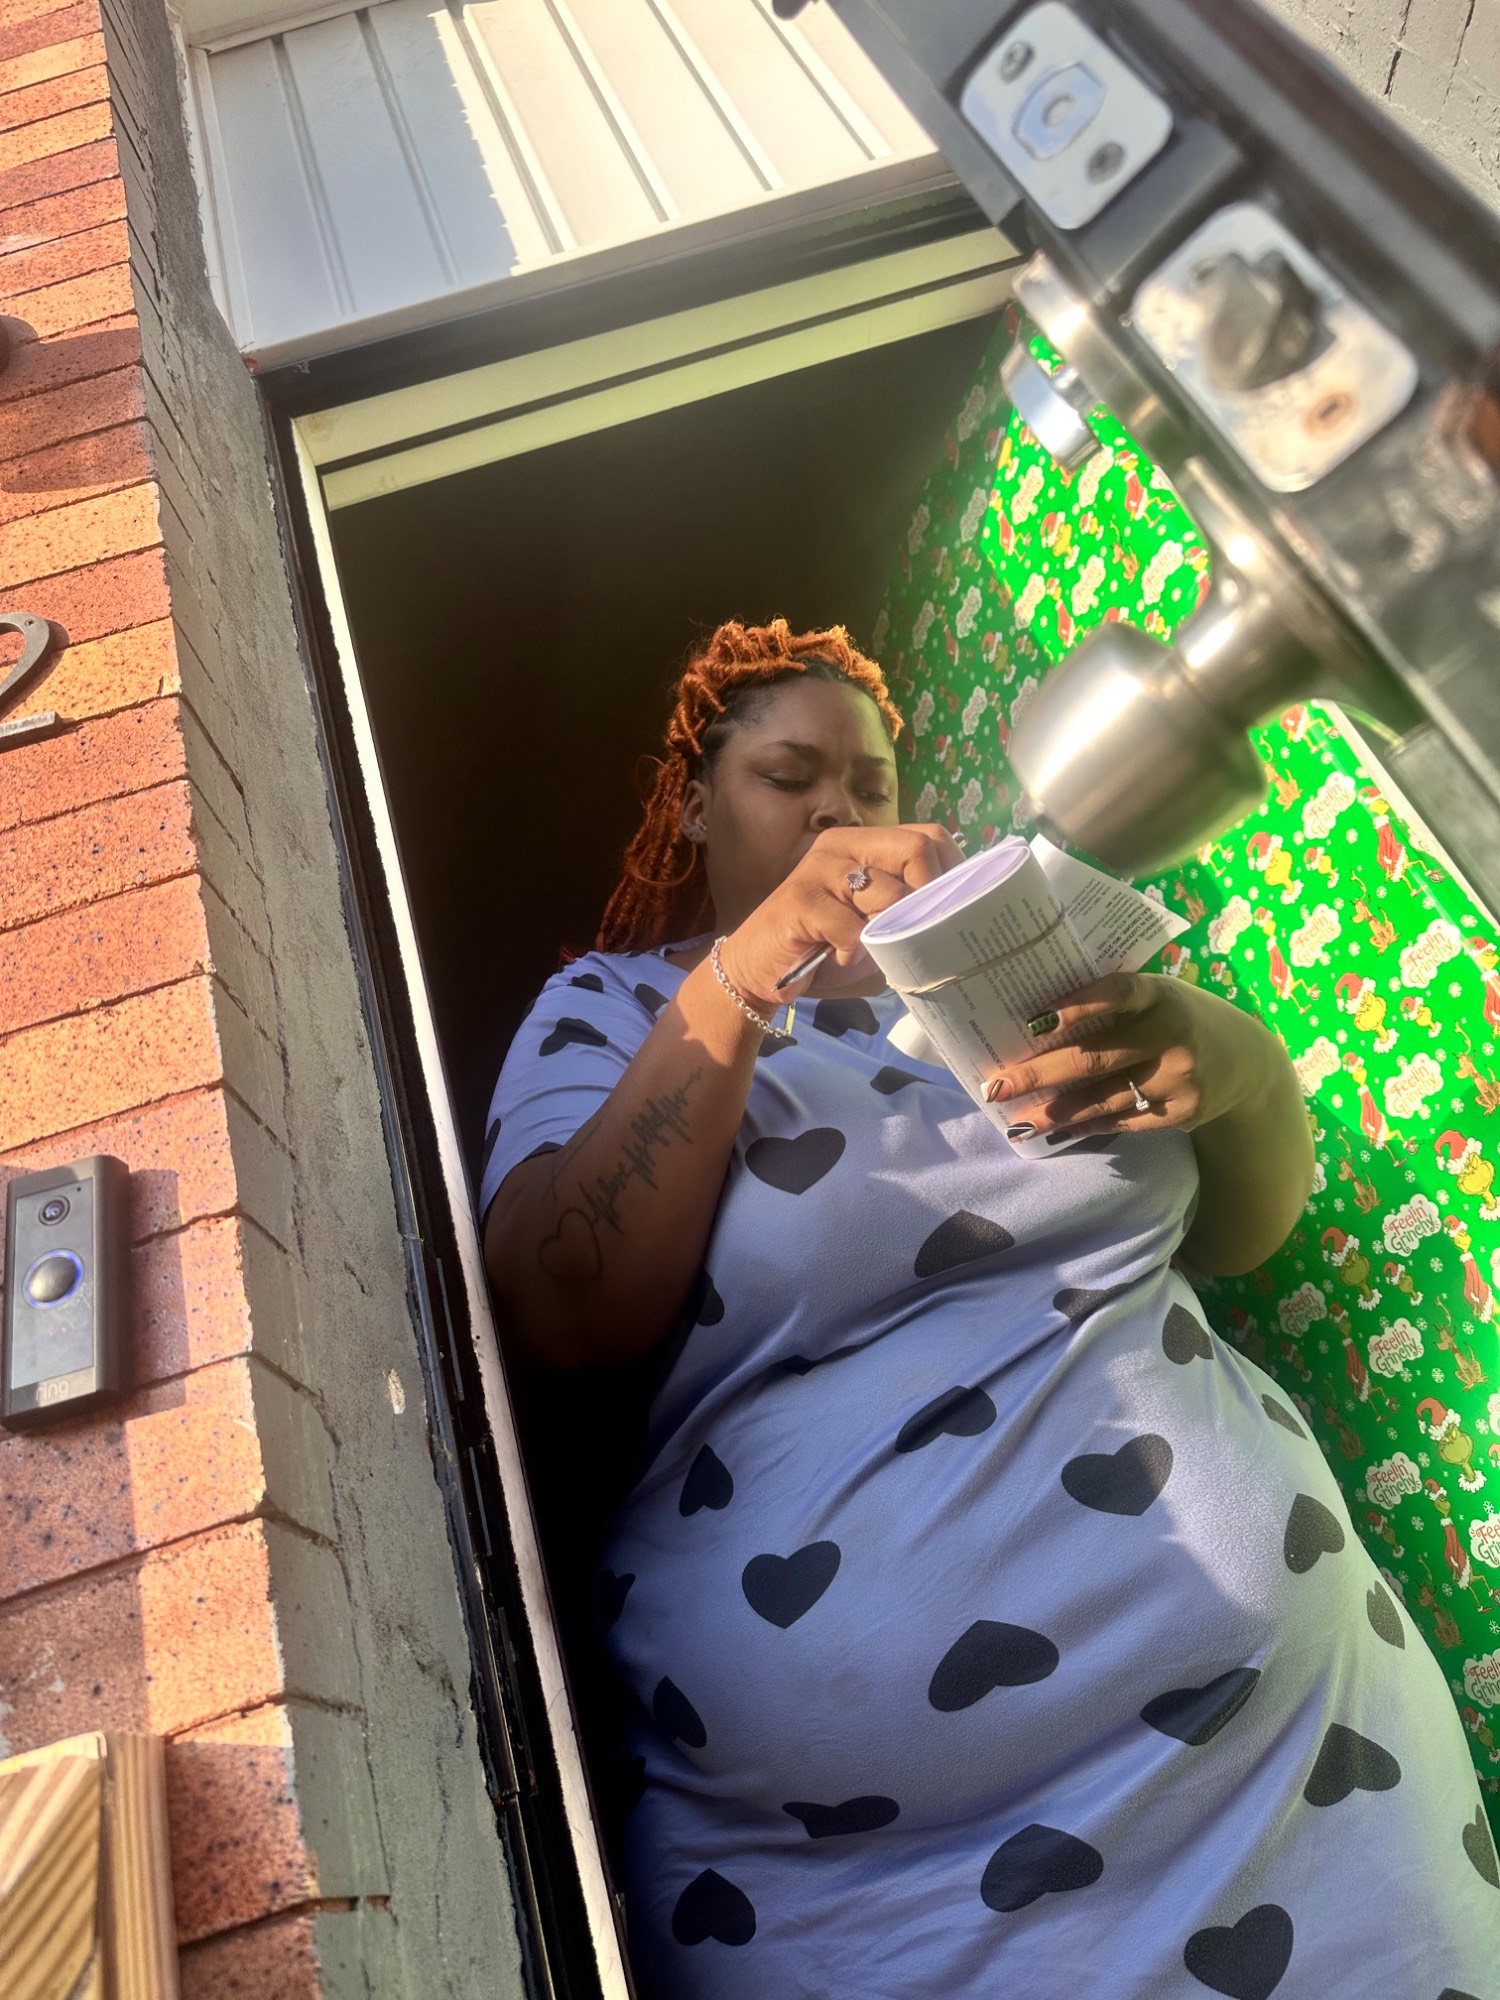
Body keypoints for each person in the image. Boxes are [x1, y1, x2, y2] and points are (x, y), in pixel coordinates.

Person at [482, 619, 1497, 1998]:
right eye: (790, 775)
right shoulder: (616, 1009)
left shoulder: (1014, 978)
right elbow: (565, 1302)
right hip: (857, 1889)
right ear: (695, 801)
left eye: (872, 781)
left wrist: (1235, 1067)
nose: (839, 809)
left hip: (1293, 1774)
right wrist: (749, 971)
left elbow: (1240, 1237)